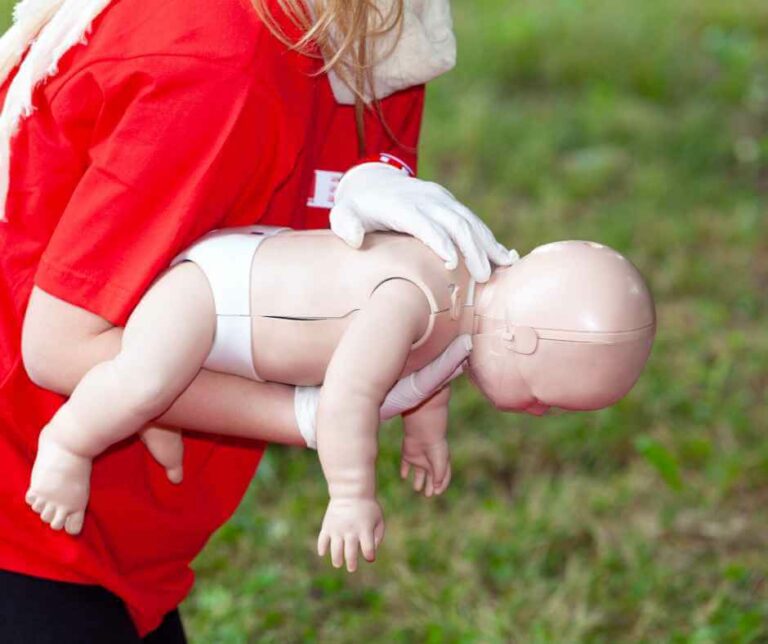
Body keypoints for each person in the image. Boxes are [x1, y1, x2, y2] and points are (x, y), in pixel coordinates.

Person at [0, 0, 511, 641]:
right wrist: (310, 416)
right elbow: (59, 345)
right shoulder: (215, 58)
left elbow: (347, 280)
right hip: (27, 513)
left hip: (124, 538)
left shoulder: (383, 39)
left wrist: (421, 394)